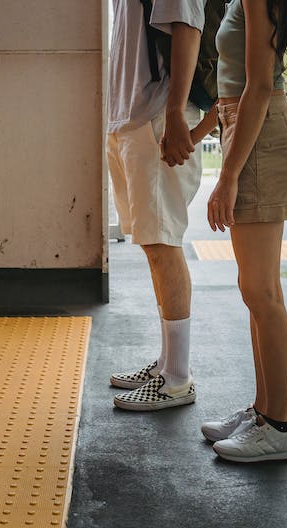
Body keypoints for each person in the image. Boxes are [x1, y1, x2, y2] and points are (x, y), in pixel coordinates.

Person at [195, 0, 287, 462]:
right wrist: (203, 130)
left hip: (261, 139)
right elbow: (236, 84)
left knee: (262, 292)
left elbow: (258, 84)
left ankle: (280, 426)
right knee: (256, 290)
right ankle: (263, 411)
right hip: (252, 129)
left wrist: (227, 175)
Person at [108, 0, 207, 412]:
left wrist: (174, 115)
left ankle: (178, 380)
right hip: (129, 119)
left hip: (157, 116)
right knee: (153, 245)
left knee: (164, 243)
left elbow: (187, 27)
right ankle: (167, 363)